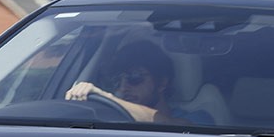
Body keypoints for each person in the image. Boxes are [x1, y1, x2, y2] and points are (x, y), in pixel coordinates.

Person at [65, 39, 211, 124]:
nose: (123, 88)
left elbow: (170, 125)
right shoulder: (108, 119)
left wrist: (108, 98)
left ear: (162, 83)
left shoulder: (197, 118)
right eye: (117, 80)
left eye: (134, 78)